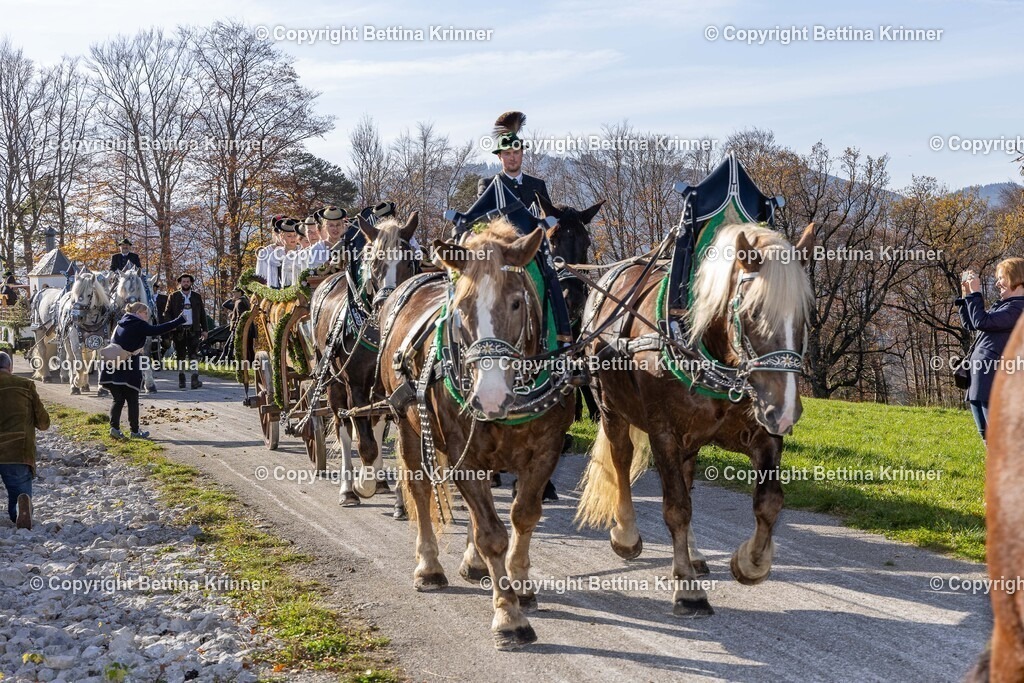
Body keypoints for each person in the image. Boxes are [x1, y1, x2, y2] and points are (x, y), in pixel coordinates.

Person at [956, 257, 1024, 441]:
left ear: (1015, 277)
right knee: (986, 434)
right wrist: (966, 294)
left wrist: (976, 293)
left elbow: (982, 321)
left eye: (1001, 277)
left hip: (993, 379)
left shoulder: (1018, 309)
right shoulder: (1006, 306)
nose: (997, 283)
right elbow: (971, 323)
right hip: (980, 378)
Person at [100, 302, 186, 439]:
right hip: (128, 367)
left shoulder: (122, 321)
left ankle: (114, 429)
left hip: (112, 366)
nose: (147, 315)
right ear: (138, 312)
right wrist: (179, 320)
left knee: (118, 399)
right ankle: (135, 432)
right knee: (132, 399)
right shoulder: (137, 323)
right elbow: (157, 330)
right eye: (145, 313)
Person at [0, 351, 49, 529]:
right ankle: (19, 512)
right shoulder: (25, 385)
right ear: (10, 367)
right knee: (18, 489)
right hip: (16, 449)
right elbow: (43, 423)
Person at [163, 273, 209, 389]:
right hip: (178, 330)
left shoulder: (196, 296)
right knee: (180, 355)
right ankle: (181, 378)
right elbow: (167, 313)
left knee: (194, 354)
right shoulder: (173, 296)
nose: (186, 283)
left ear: (191, 283)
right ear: (180, 283)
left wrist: (205, 330)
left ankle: (194, 378)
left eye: (188, 281)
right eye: (183, 281)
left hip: (194, 329)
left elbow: (202, 314)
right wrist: (171, 325)